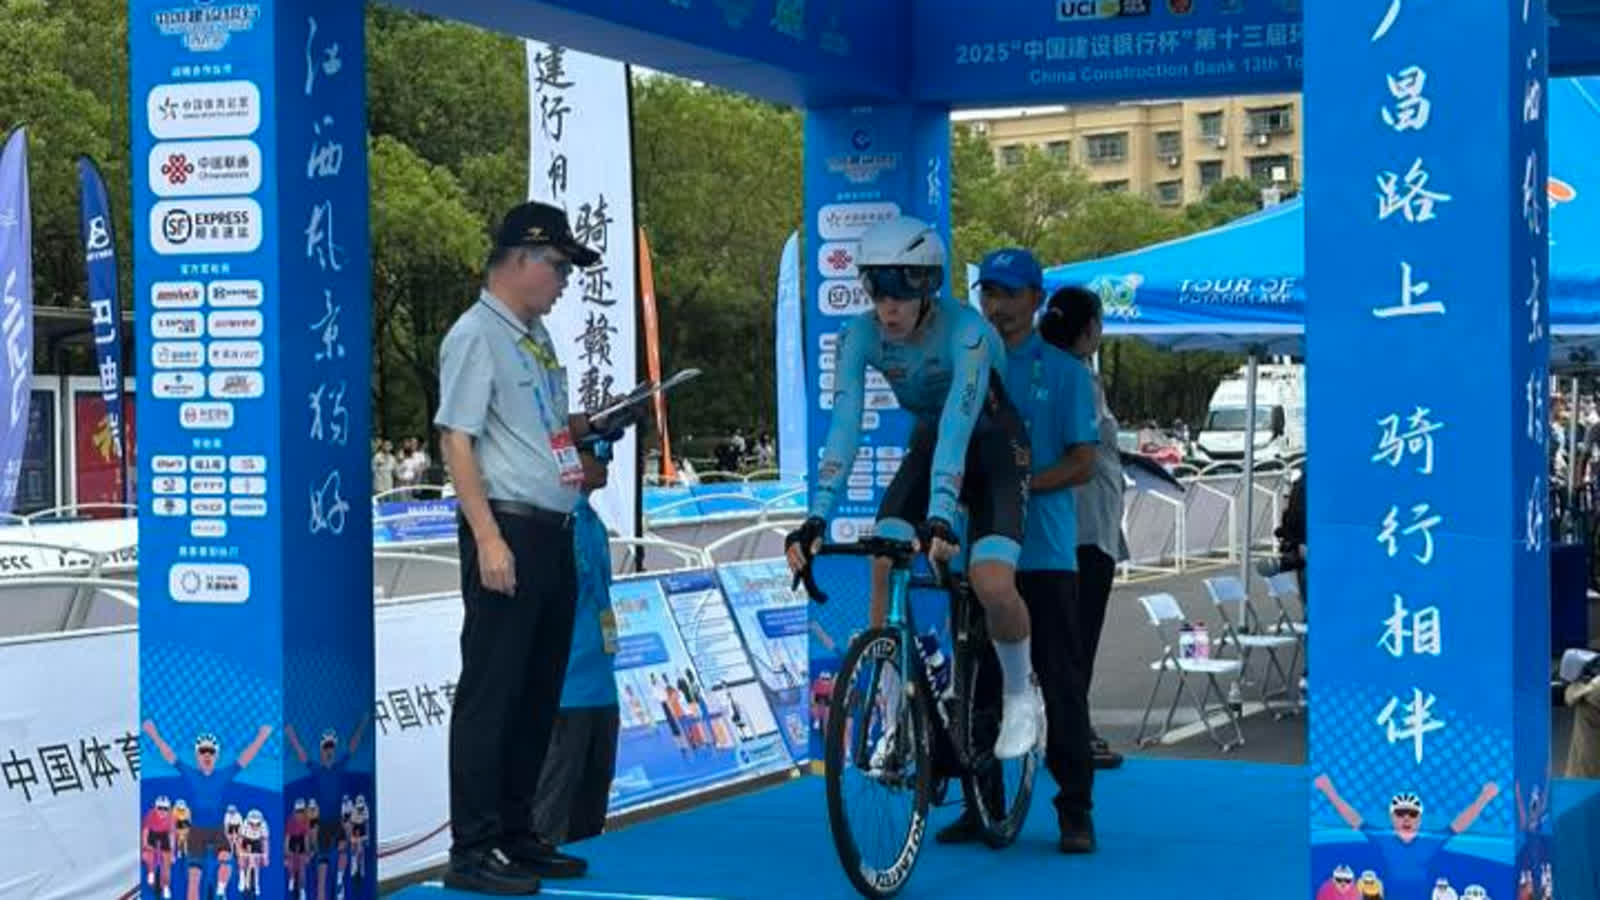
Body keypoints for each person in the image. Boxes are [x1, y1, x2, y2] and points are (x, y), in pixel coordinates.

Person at [434, 200, 641, 894]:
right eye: (558, 266)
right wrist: (488, 538)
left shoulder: (535, 335)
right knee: (493, 690)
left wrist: (593, 429)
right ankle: (474, 846)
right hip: (509, 527)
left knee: (536, 690)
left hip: (554, 527)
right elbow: (457, 439)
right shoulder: (475, 334)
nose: (564, 281)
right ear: (520, 260)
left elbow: (539, 429)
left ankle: (518, 831)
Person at [783, 215, 1045, 761]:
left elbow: (959, 424)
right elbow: (845, 426)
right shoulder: (859, 335)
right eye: (876, 293)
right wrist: (817, 517)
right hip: (930, 444)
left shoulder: (968, 332)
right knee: (884, 555)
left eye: (900, 294)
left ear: (927, 290)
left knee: (992, 581)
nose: (888, 308)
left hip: (993, 446)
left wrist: (942, 513)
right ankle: (895, 710)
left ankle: (1021, 693)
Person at [935, 248, 1099, 852]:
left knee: (1059, 683)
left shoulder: (1065, 373)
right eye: (989, 294)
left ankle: (1075, 810)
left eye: (1010, 294)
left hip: (1045, 556)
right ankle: (983, 803)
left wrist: (1022, 485)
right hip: (978, 552)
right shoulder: (966, 365)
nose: (998, 306)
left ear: (1036, 298)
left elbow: (1084, 462)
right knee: (977, 684)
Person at [1039, 286, 1131, 771]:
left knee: (1066, 639)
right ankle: (1072, 735)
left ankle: (1071, 730)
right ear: (1091, 328)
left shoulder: (1046, 371)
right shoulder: (1076, 379)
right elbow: (1083, 452)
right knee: (1076, 639)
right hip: (1083, 527)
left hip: (1077, 524)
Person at [532, 486, 622, 846]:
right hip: (566, 690)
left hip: (602, 683)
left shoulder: (594, 521)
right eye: (597, 457)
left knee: (592, 808)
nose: (606, 461)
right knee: (551, 811)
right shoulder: (552, 521)